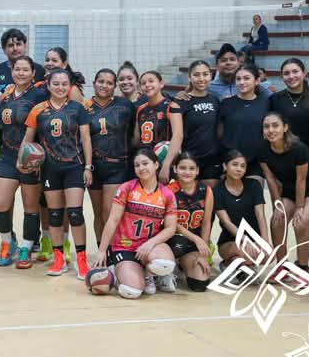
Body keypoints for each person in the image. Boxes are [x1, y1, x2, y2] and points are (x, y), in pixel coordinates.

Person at [22, 68, 93, 279]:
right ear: (48, 85)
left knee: (75, 213)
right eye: (56, 84)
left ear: (69, 86)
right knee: (54, 215)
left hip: (74, 167)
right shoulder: (38, 110)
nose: (60, 88)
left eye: (64, 84)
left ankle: (81, 259)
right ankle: (58, 258)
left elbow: (86, 139)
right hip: (50, 169)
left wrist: (88, 167)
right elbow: (27, 140)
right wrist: (24, 161)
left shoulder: (77, 109)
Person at [91, 148, 178, 298]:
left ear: (156, 165)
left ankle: (150, 273)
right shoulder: (126, 188)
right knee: (131, 291)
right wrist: (102, 251)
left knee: (165, 264)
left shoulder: (167, 194)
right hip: (125, 246)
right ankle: (122, 273)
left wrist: (150, 243)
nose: (141, 168)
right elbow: (112, 220)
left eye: (145, 163)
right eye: (137, 165)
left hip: (150, 246)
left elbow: (171, 228)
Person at [0, 57, 45, 269]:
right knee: (0, 205)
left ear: (33, 73)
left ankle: (26, 246)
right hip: (7, 156)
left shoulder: (40, 95)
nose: (21, 73)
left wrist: (37, 158)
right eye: (17, 69)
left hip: (31, 159)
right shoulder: (4, 96)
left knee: (31, 208)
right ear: (12, 71)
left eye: (26, 70)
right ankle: (8, 241)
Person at [258, 111, 309, 272]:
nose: (271, 130)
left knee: (300, 223)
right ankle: (281, 267)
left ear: (285, 127)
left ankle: (302, 267)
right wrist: (278, 205)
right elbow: (270, 179)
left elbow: (301, 180)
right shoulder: (262, 149)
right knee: (277, 221)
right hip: (289, 190)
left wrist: (299, 207)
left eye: (275, 125)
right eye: (266, 126)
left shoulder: (298, 148)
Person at [85, 68, 136, 245]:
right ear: (94, 83)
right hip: (94, 167)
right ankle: (102, 251)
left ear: (115, 87)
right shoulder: (85, 107)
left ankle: (113, 250)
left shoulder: (125, 105)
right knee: (97, 212)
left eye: (109, 83)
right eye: (101, 81)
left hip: (118, 166)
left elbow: (135, 134)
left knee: (109, 211)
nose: (104, 85)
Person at [212, 149, 270, 272]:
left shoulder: (254, 185)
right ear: (225, 166)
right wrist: (245, 240)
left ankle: (239, 265)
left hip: (254, 239)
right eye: (234, 164)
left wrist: (265, 241)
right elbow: (227, 222)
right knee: (244, 252)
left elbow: (260, 214)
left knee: (268, 255)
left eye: (242, 166)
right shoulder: (217, 191)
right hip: (229, 242)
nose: (239, 169)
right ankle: (230, 263)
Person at [167, 152, 215, 292]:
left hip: (192, 245)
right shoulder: (169, 191)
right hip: (172, 240)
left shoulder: (206, 191)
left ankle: (183, 264)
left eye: (191, 168)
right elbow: (171, 223)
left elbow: (206, 223)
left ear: (197, 170)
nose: (187, 172)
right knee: (178, 244)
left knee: (200, 284)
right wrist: (196, 238)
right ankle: (170, 264)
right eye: (182, 168)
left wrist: (203, 255)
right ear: (175, 169)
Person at [218, 64, 270, 173]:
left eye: (246, 78)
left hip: (256, 161)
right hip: (231, 160)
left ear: (257, 81)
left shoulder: (267, 103)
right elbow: (220, 133)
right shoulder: (226, 103)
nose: (242, 82)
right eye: (238, 79)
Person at [134, 71, 183, 181]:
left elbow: (178, 136)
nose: (147, 85)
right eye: (143, 83)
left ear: (161, 84)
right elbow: (137, 140)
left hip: (163, 163)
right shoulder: (140, 109)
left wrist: (166, 165)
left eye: (151, 81)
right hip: (145, 164)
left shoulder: (172, 106)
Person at [179, 60, 222, 185]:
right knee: (191, 203)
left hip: (211, 159)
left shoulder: (215, 100)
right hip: (189, 159)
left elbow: (218, 131)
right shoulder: (182, 101)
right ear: (189, 77)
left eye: (205, 74)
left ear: (211, 76)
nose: (201, 78)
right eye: (196, 75)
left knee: (210, 200)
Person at [268, 57, 309, 159]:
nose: (291, 76)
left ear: (304, 73)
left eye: (295, 71)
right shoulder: (274, 99)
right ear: (282, 77)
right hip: (281, 156)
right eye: (286, 73)